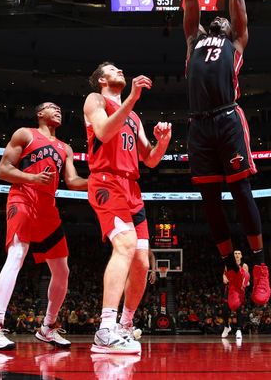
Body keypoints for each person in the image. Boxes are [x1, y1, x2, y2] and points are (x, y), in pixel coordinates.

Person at [183, 0, 270, 313]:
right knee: (209, 199)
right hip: (198, 123)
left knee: (240, 192)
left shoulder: (237, 38)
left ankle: (259, 264)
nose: (216, 14)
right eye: (211, 13)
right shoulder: (192, 40)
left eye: (222, 14)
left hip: (227, 117)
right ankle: (230, 272)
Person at [83, 62, 172, 353]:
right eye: (112, 70)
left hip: (132, 189)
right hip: (106, 182)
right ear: (100, 80)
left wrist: (163, 142)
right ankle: (105, 330)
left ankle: (124, 325)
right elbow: (105, 133)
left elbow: (150, 159)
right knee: (124, 244)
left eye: (120, 69)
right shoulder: (96, 100)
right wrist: (132, 98)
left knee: (142, 262)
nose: (119, 71)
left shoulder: (133, 117)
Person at [0, 102, 87, 351]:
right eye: (53, 107)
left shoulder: (65, 148)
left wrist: (99, 181)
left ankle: (47, 328)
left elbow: (72, 181)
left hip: (47, 208)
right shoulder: (25, 133)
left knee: (62, 271)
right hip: (23, 198)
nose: (59, 110)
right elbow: (2, 170)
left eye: (60, 108)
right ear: (40, 113)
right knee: (17, 255)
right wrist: (32, 178)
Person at [221, 250, 249, 340]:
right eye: (235, 254)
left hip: (239, 290)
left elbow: (246, 276)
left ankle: (239, 330)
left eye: (238, 254)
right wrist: (224, 278)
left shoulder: (244, 265)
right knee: (225, 309)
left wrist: (246, 283)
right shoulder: (228, 265)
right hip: (229, 289)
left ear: (241, 255)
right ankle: (226, 326)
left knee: (238, 309)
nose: (237, 255)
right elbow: (224, 274)